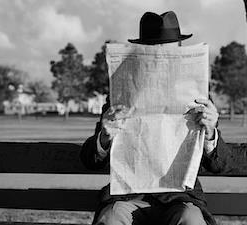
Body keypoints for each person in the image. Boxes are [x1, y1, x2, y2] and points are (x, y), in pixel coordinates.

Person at [81, 11, 228, 225]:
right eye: (153, 51)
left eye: (167, 52)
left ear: (178, 52)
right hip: (128, 197)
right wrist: (104, 136)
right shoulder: (120, 96)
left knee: (191, 219)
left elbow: (220, 165)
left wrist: (210, 132)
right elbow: (89, 160)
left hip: (179, 198)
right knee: (111, 218)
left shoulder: (199, 99)